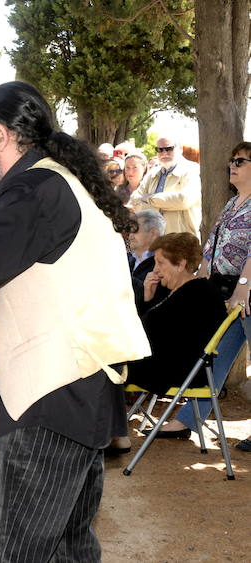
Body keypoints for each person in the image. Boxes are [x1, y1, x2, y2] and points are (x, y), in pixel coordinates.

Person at [0, 81, 149, 561]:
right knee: (68, 552)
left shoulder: (35, 189)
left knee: (9, 554)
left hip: (51, 398)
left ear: (0, 135)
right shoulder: (58, 183)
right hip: (81, 392)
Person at [158, 142, 251, 442]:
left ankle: (188, 419)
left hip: (245, 293)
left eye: (240, 161)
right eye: (231, 160)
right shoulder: (232, 203)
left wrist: (243, 288)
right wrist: (199, 279)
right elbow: (212, 245)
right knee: (215, 355)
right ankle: (189, 420)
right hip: (226, 294)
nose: (232, 166)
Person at [127, 233, 225, 393]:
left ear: (180, 264)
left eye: (160, 263)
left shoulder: (200, 293)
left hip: (178, 371)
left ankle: (101, 417)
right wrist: (147, 296)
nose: (155, 270)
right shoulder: (170, 290)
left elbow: (149, 330)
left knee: (102, 364)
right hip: (162, 364)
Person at [128, 135, 202, 238]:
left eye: (169, 149)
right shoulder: (152, 173)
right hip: (154, 241)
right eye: (160, 149)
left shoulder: (192, 170)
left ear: (180, 149)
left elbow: (184, 200)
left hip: (182, 241)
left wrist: (149, 199)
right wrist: (164, 205)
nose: (164, 153)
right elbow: (135, 201)